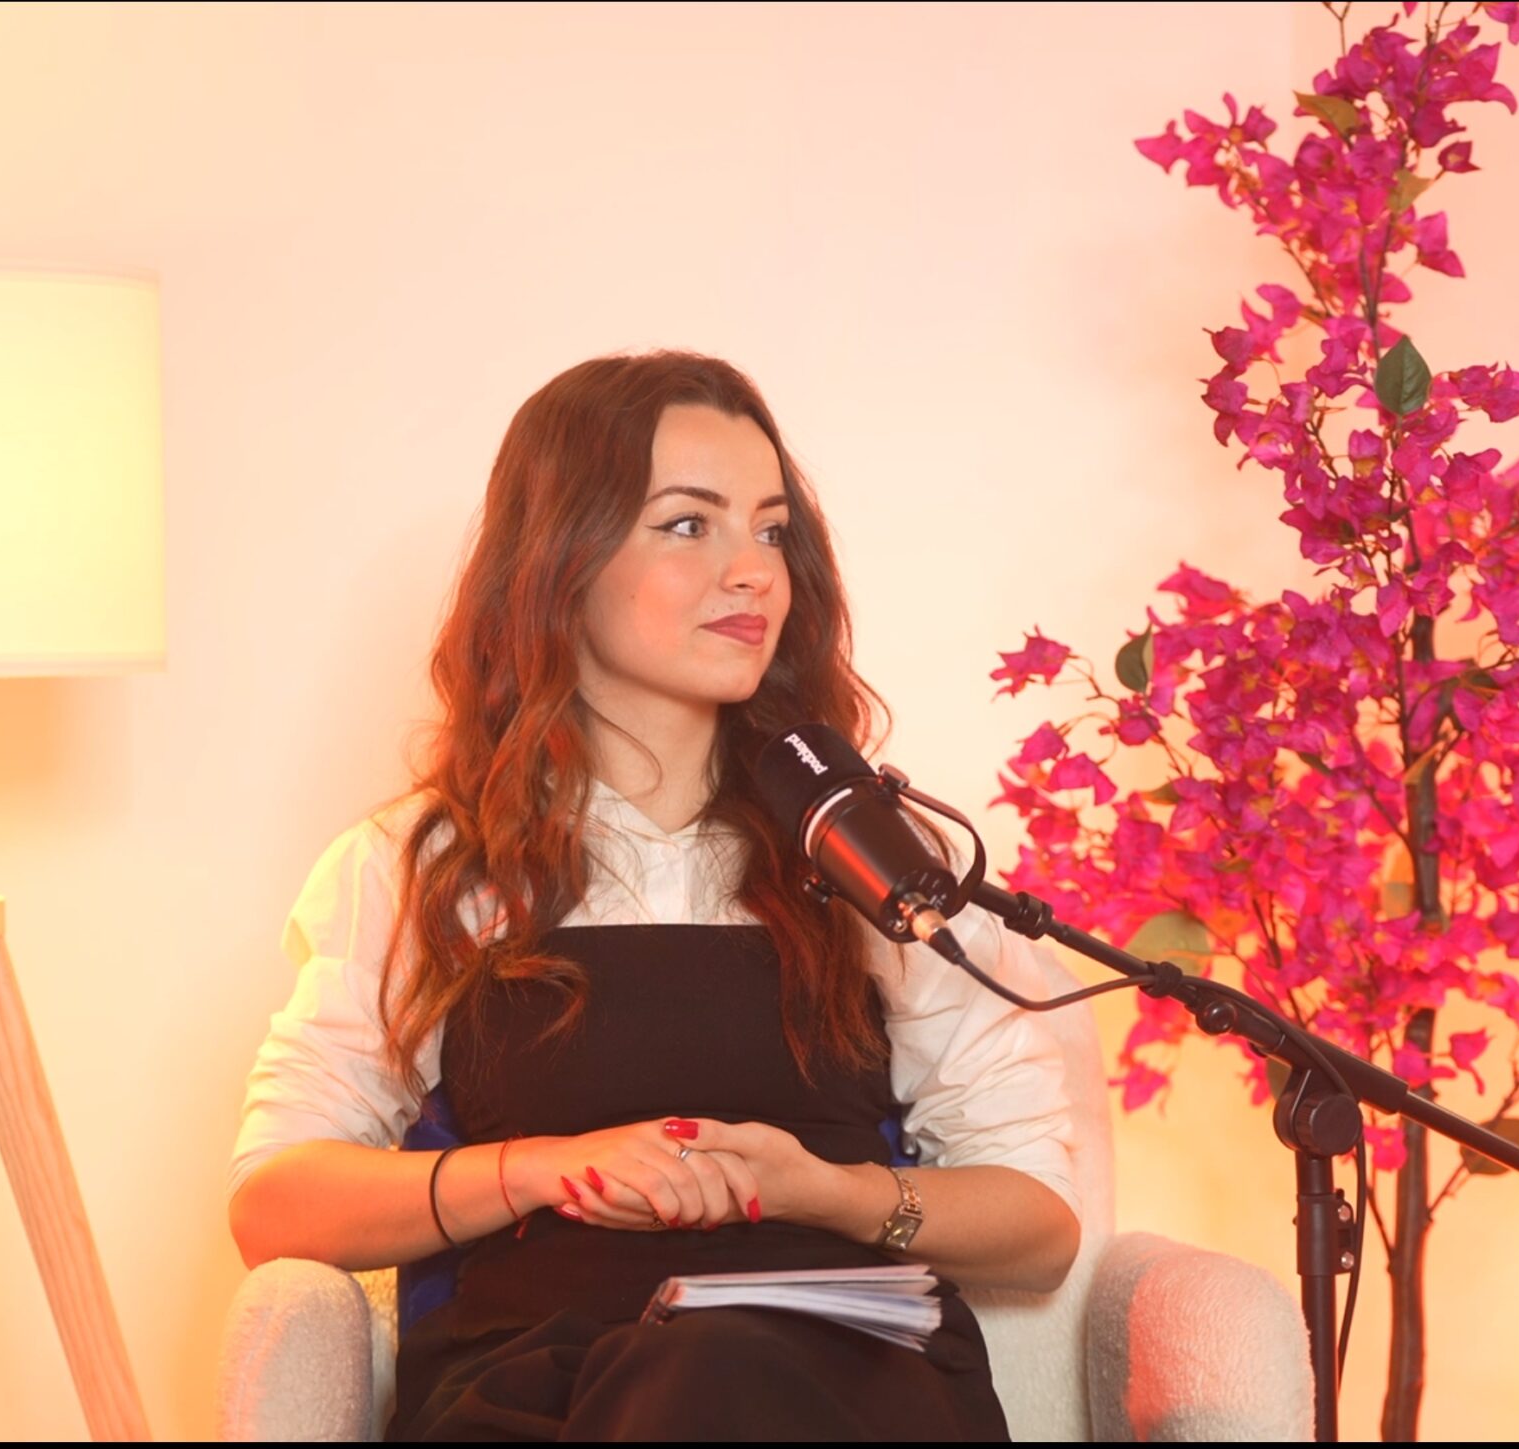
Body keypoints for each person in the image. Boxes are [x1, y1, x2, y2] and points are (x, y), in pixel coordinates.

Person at [226, 351, 1084, 1441]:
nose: (753, 572)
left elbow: (1039, 1226)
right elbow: (275, 1204)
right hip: (541, 1386)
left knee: (718, 1373)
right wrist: (542, 1169)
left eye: (770, 531)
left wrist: (817, 1189)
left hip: (847, 1382)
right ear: (559, 560)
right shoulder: (423, 863)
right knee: (686, 1382)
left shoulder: (869, 856)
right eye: (688, 524)